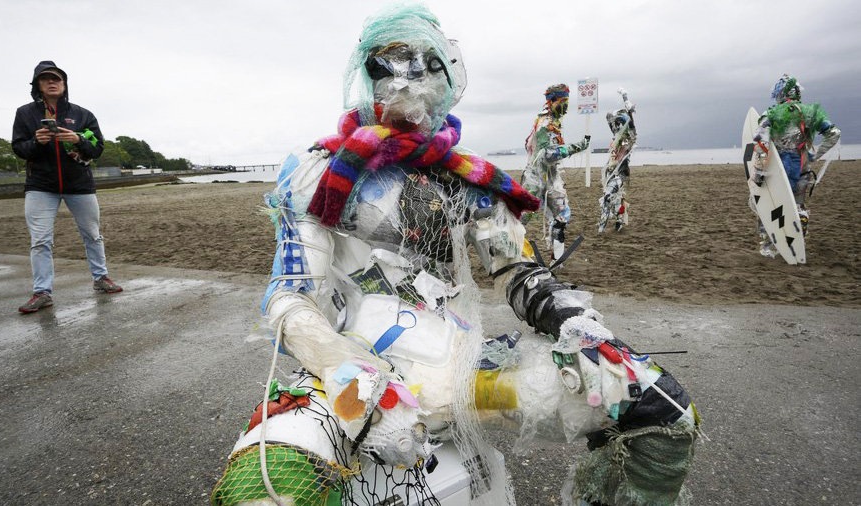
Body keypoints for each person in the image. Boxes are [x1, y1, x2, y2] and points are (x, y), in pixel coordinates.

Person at [212, 5, 698, 506]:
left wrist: (576, 323)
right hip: (354, 376)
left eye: (422, 64)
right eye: (387, 64)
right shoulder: (320, 171)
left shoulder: (468, 179)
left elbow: (517, 270)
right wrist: (344, 368)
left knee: (659, 405)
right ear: (365, 72)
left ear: (448, 75)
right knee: (264, 488)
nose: (404, 80)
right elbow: (291, 295)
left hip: (465, 375)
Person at [12, 60, 122, 314]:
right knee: (40, 240)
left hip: (79, 184)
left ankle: (101, 278)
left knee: (93, 234)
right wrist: (36, 142)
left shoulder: (83, 114)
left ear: (64, 84)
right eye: (46, 78)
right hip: (40, 185)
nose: (52, 82)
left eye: (57, 78)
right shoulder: (25, 113)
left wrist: (78, 139)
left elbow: (97, 149)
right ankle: (42, 292)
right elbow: (18, 148)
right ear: (37, 84)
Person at [751, 74, 841, 257]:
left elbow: (761, 140)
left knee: (769, 205)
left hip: (777, 169)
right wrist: (815, 154)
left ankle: (768, 247)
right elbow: (834, 133)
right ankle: (796, 244)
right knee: (796, 206)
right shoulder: (810, 113)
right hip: (802, 167)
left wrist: (759, 169)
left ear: (780, 93)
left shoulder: (772, 113)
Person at [521, 83, 591, 260]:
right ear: (551, 101)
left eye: (567, 101)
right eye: (562, 101)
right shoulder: (545, 124)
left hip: (550, 178)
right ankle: (510, 249)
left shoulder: (550, 121)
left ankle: (556, 257)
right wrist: (577, 147)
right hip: (536, 179)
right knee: (522, 218)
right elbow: (548, 155)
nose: (566, 106)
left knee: (562, 214)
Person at [598, 88, 637, 233]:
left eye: (620, 123)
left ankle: (603, 227)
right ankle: (617, 220)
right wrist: (610, 117)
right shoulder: (616, 137)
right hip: (609, 171)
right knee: (610, 197)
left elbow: (631, 115)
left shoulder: (631, 137)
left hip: (621, 172)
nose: (617, 126)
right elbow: (609, 121)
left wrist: (625, 96)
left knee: (609, 195)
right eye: (616, 124)